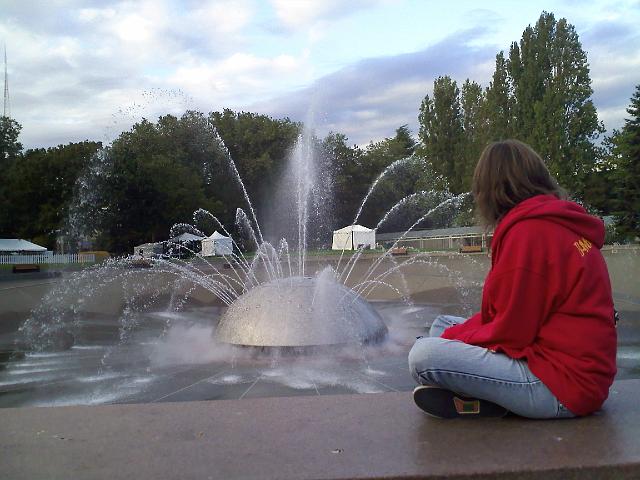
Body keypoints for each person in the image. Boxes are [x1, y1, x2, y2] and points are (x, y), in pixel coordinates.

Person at [408, 139, 617, 419]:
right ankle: (489, 394)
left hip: (561, 387)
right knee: (442, 325)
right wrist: (454, 336)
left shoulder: (529, 233)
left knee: (423, 356)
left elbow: (511, 330)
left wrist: (453, 342)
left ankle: (492, 398)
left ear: (492, 189)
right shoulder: (554, 222)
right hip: (571, 366)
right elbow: (510, 319)